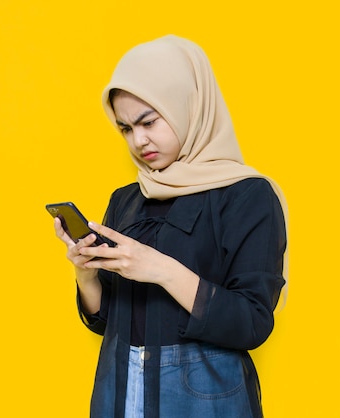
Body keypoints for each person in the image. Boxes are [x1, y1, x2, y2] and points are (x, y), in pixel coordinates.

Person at [52, 35, 287, 418]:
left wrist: (159, 269)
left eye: (149, 121)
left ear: (189, 106)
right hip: (120, 392)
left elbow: (253, 323)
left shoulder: (247, 195)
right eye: (125, 128)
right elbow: (108, 322)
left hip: (204, 400)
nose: (138, 140)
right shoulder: (126, 199)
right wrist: (86, 275)